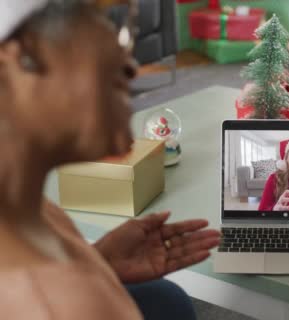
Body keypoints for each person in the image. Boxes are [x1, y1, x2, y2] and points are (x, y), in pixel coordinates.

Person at [0, 1, 220, 319]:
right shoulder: (60, 304)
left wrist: (96, 263)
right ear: (18, 57)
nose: (130, 66)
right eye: (102, 18)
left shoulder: (32, 209)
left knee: (167, 300)